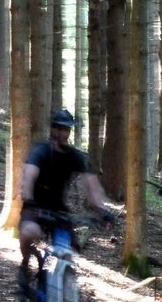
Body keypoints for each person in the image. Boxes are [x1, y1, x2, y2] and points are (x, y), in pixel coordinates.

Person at [18, 109, 114, 268]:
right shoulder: (41, 151)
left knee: (67, 252)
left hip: (59, 210)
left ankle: (57, 281)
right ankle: (25, 264)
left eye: (67, 129)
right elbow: (29, 176)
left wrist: (103, 210)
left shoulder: (74, 156)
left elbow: (92, 186)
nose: (64, 133)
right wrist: (28, 198)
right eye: (61, 128)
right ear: (53, 129)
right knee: (29, 232)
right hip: (35, 206)